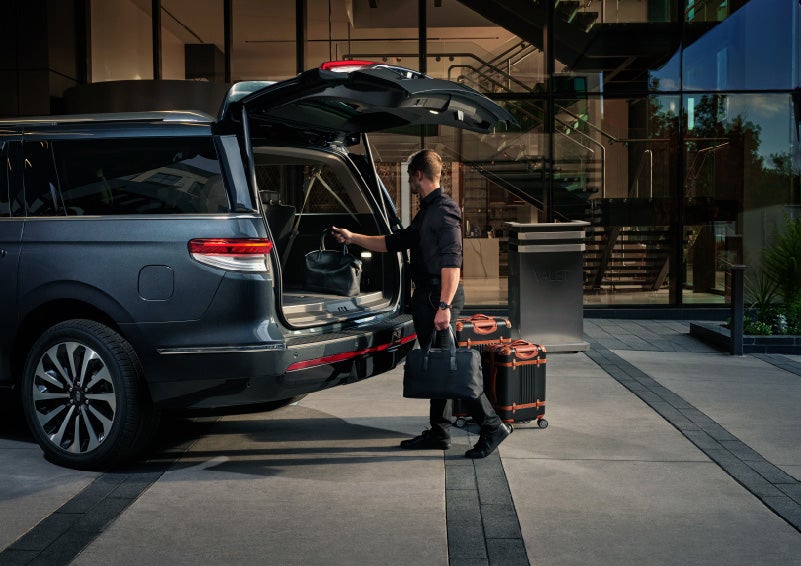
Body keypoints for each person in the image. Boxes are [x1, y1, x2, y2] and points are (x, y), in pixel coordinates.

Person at [331, 149, 510, 459]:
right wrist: (353, 238)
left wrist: (444, 306)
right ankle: (439, 432)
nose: (410, 184)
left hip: (440, 297)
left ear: (418, 175)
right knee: (440, 364)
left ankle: (492, 426)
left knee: (455, 369)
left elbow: (453, 263)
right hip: (428, 297)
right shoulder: (426, 211)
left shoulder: (444, 210)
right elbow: (394, 242)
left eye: (410, 178)